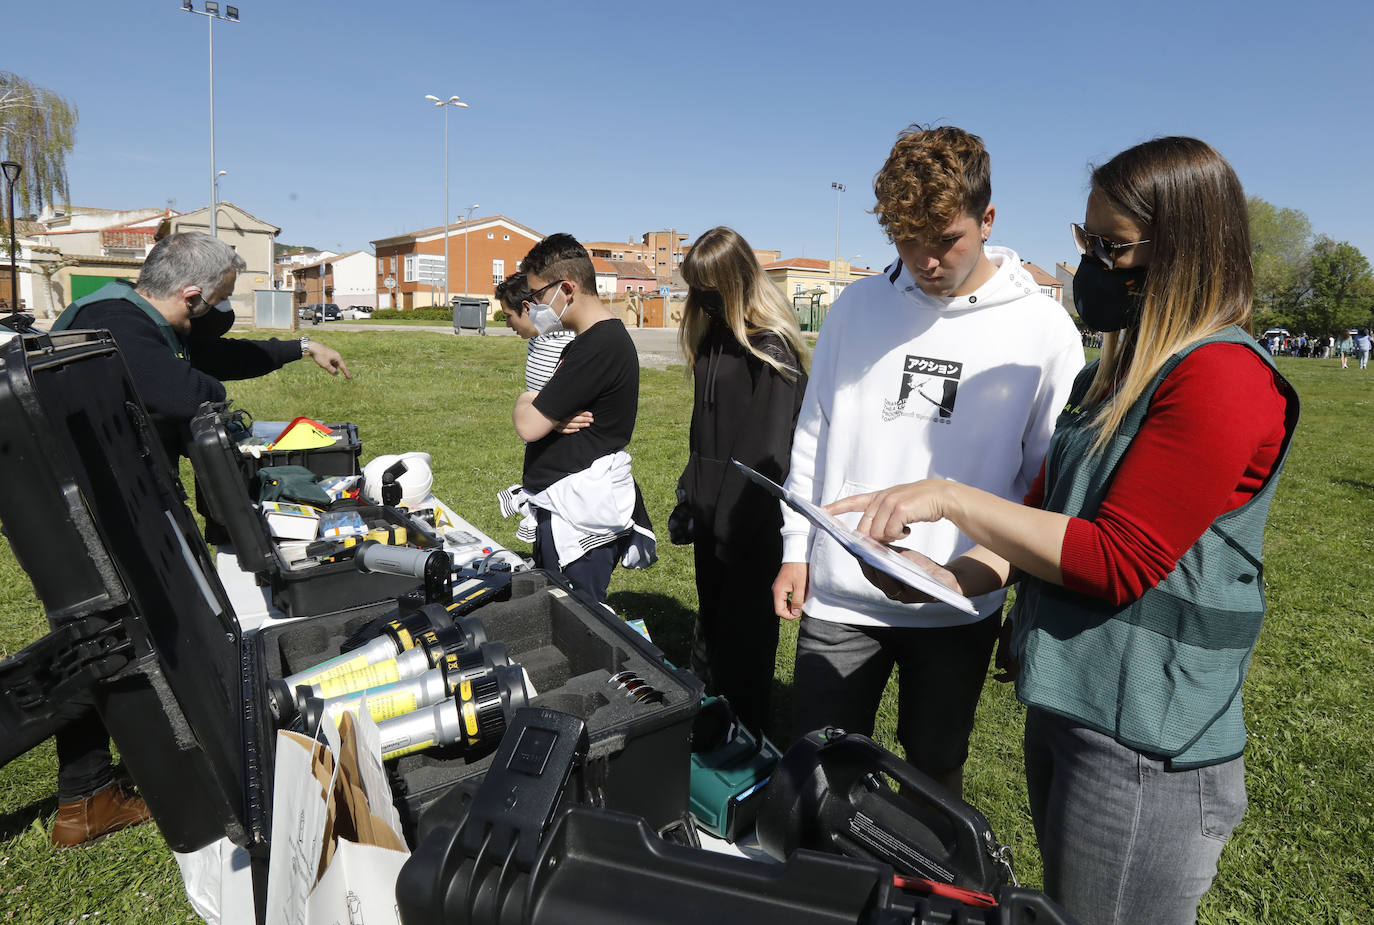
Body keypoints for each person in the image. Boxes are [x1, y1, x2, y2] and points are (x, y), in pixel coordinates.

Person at [831, 137, 1298, 925]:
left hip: (1147, 745)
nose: (1092, 266)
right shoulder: (1106, 375)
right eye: (1089, 242)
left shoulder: (1222, 376)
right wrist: (950, 578)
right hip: (1072, 710)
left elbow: (1117, 559)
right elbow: (1049, 512)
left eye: (1113, 248)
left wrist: (948, 497)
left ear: (1184, 250)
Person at [771, 125, 1083, 795]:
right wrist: (796, 549)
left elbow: (1048, 482)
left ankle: (928, 863)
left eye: (945, 239)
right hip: (842, 594)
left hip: (960, 600)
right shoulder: (857, 308)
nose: (926, 259)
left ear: (987, 219)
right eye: (906, 239)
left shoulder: (1044, 330)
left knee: (935, 770)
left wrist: (1023, 597)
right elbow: (813, 434)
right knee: (819, 770)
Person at [45, 232, 350, 847]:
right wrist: (213, 394)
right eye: (216, 300)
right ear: (190, 295)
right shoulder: (117, 327)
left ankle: (91, 789)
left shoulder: (132, 316)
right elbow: (183, 390)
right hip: (95, 517)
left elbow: (213, 357)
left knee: (107, 637)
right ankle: (89, 794)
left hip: (103, 506)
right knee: (103, 643)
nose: (217, 313)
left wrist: (299, 346)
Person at [676, 226, 809, 736]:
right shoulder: (714, 337)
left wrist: (730, 528)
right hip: (711, 517)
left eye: (708, 288)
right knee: (711, 632)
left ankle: (747, 742)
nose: (700, 299)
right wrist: (690, 495)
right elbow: (703, 432)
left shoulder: (769, 349)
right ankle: (710, 727)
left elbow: (765, 453)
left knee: (746, 647)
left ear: (733, 283)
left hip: (748, 526)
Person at [510, 233, 652, 605]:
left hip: (580, 516)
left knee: (578, 615)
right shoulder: (583, 343)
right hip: (565, 505)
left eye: (537, 296)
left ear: (567, 289)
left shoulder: (599, 346)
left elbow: (528, 424)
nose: (534, 306)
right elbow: (538, 417)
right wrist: (539, 406)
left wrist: (527, 399)